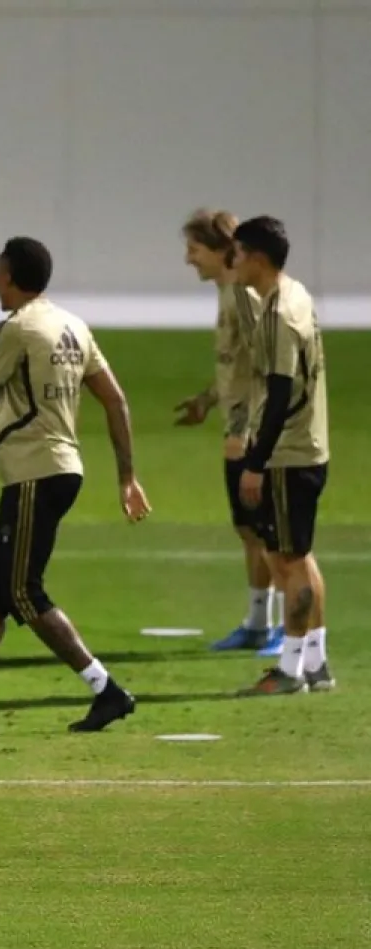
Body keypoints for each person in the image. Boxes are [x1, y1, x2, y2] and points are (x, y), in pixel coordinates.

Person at [0, 237, 151, 735]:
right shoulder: (73, 327)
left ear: (11, 277)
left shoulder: (14, 330)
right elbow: (116, 401)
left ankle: (107, 690)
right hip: (59, 469)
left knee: (20, 590)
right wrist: (127, 476)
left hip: (35, 471)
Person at [231, 216, 334, 695]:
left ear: (255, 257)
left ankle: (290, 670)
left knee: (287, 560)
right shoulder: (296, 295)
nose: (232, 261)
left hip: (288, 453)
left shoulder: (278, 315)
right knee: (300, 555)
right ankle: (316, 661)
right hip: (311, 444)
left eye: (236, 253)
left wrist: (255, 461)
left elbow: (278, 391)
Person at [173, 209, 281, 652]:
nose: (188, 259)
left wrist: (253, 431)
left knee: (270, 534)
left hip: (253, 433)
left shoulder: (243, 298)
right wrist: (205, 400)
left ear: (221, 251)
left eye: (194, 250)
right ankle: (258, 623)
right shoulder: (227, 294)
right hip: (236, 428)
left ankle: (282, 632)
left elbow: (272, 366)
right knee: (249, 530)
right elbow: (236, 366)